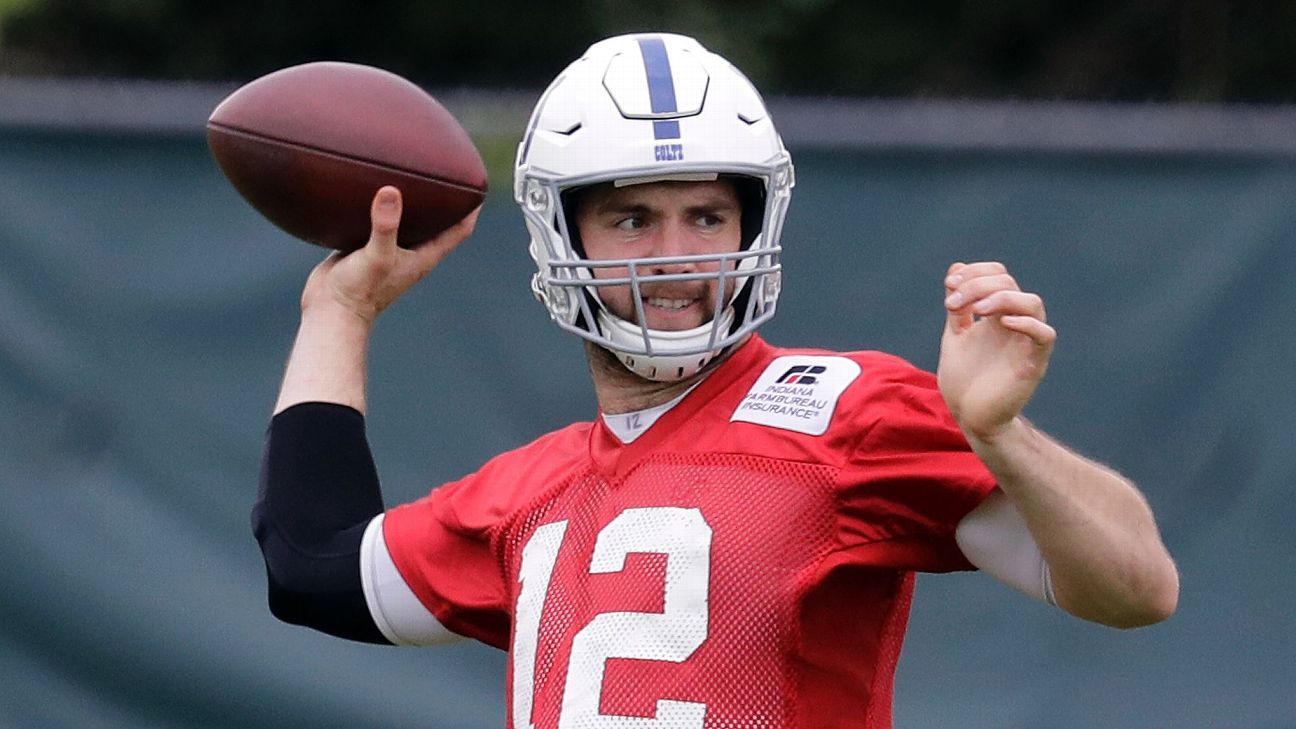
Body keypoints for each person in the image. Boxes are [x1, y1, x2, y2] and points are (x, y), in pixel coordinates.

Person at [253, 32, 1179, 728]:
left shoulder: (848, 411)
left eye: (705, 214)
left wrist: (1000, 436)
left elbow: (1137, 589)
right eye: (631, 220)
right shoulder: (528, 493)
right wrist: (339, 313)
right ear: (560, 235)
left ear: (753, 226)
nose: (675, 258)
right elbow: (312, 564)